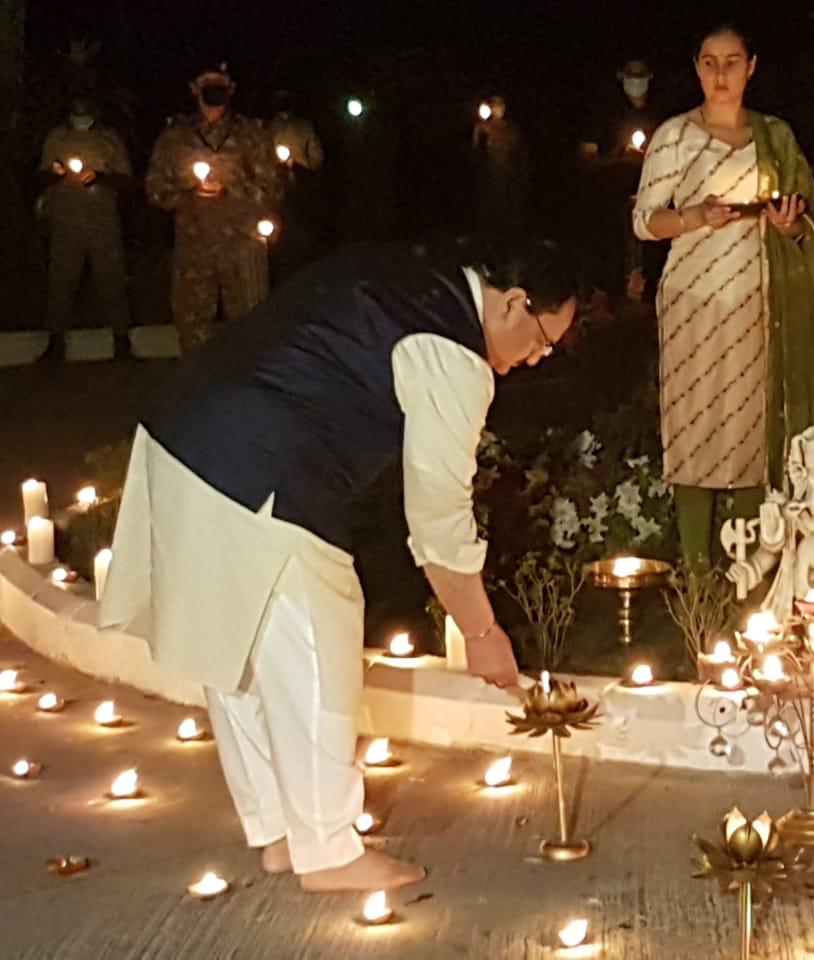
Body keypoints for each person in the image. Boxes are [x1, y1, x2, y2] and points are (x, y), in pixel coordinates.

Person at [99, 239, 579, 892]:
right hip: (260, 458)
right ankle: (328, 848)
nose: (535, 359)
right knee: (317, 645)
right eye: (544, 340)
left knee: (240, 640)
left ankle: (280, 832)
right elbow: (438, 516)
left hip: (185, 428)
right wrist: (484, 634)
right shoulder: (453, 353)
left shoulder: (413, 270)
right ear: (516, 303)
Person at [633, 23, 814, 569]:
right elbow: (643, 221)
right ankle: (696, 571)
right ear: (696, 67)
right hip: (691, 300)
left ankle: (751, 568)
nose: (721, 74)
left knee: (751, 430)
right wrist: (695, 216)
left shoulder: (776, 137)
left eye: (732, 62)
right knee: (695, 425)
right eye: (709, 62)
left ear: (752, 67)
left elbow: (806, 226)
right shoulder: (674, 136)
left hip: (757, 300)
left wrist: (790, 227)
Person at [145, 65, 282, 354]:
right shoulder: (175, 137)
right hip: (194, 248)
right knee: (192, 330)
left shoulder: (251, 134)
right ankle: (199, 391)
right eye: (208, 83)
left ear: (231, 89)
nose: (214, 89)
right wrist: (189, 191)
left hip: (242, 245)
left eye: (220, 84)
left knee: (252, 327)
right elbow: (155, 190)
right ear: (194, 88)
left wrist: (232, 186)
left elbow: (273, 187)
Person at [38, 94, 133, 361]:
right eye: (76, 109)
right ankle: (55, 342)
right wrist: (55, 173)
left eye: (85, 109)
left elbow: (126, 181)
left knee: (112, 280)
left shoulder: (109, 139)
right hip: (65, 222)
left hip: (103, 223)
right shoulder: (57, 139)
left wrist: (102, 177)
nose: (80, 113)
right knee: (60, 282)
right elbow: (40, 176)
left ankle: (121, 339)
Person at [579, 59, 663, 299]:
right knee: (612, 254)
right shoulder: (606, 116)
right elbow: (585, 160)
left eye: (641, 75)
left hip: (651, 202)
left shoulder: (660, 117)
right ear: (620, 76)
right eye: (631, 75)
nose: (636, 81)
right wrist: (616, 156)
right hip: (609, 202)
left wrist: (646, 160)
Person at [266, 89, 325, 277]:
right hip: (275, 181)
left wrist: (301, 166)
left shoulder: (303, 126)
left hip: (300, 182)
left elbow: (316, 157)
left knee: (300, 224)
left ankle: (302, 267)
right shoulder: (267, 127)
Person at [472, 96, 530, 247]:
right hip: (489, 177)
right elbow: (476, 153)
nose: (496, 109)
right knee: (488, 213)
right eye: (494, 106)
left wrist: (521, 178)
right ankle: (487, 246)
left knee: (508, 214)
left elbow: (520, 155)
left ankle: (509, 246)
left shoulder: (512, 130)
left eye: (499, 106)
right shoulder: (482, 128)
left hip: (508, 177)